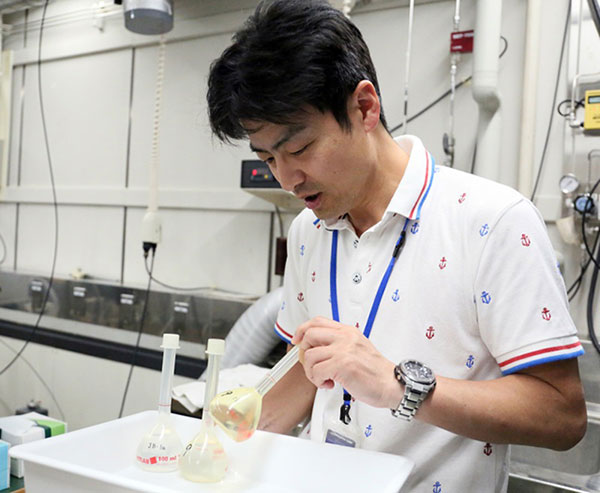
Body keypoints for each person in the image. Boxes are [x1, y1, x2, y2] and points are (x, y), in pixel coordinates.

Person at [206, 0, 587, 491]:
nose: (288, 178)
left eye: (299, 149)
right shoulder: (307, 231)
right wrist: (221, 440)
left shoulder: (493, 221)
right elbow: (307, 370)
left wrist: (397, 385)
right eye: (268, 158)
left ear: (364, 107)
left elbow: (561, 416)